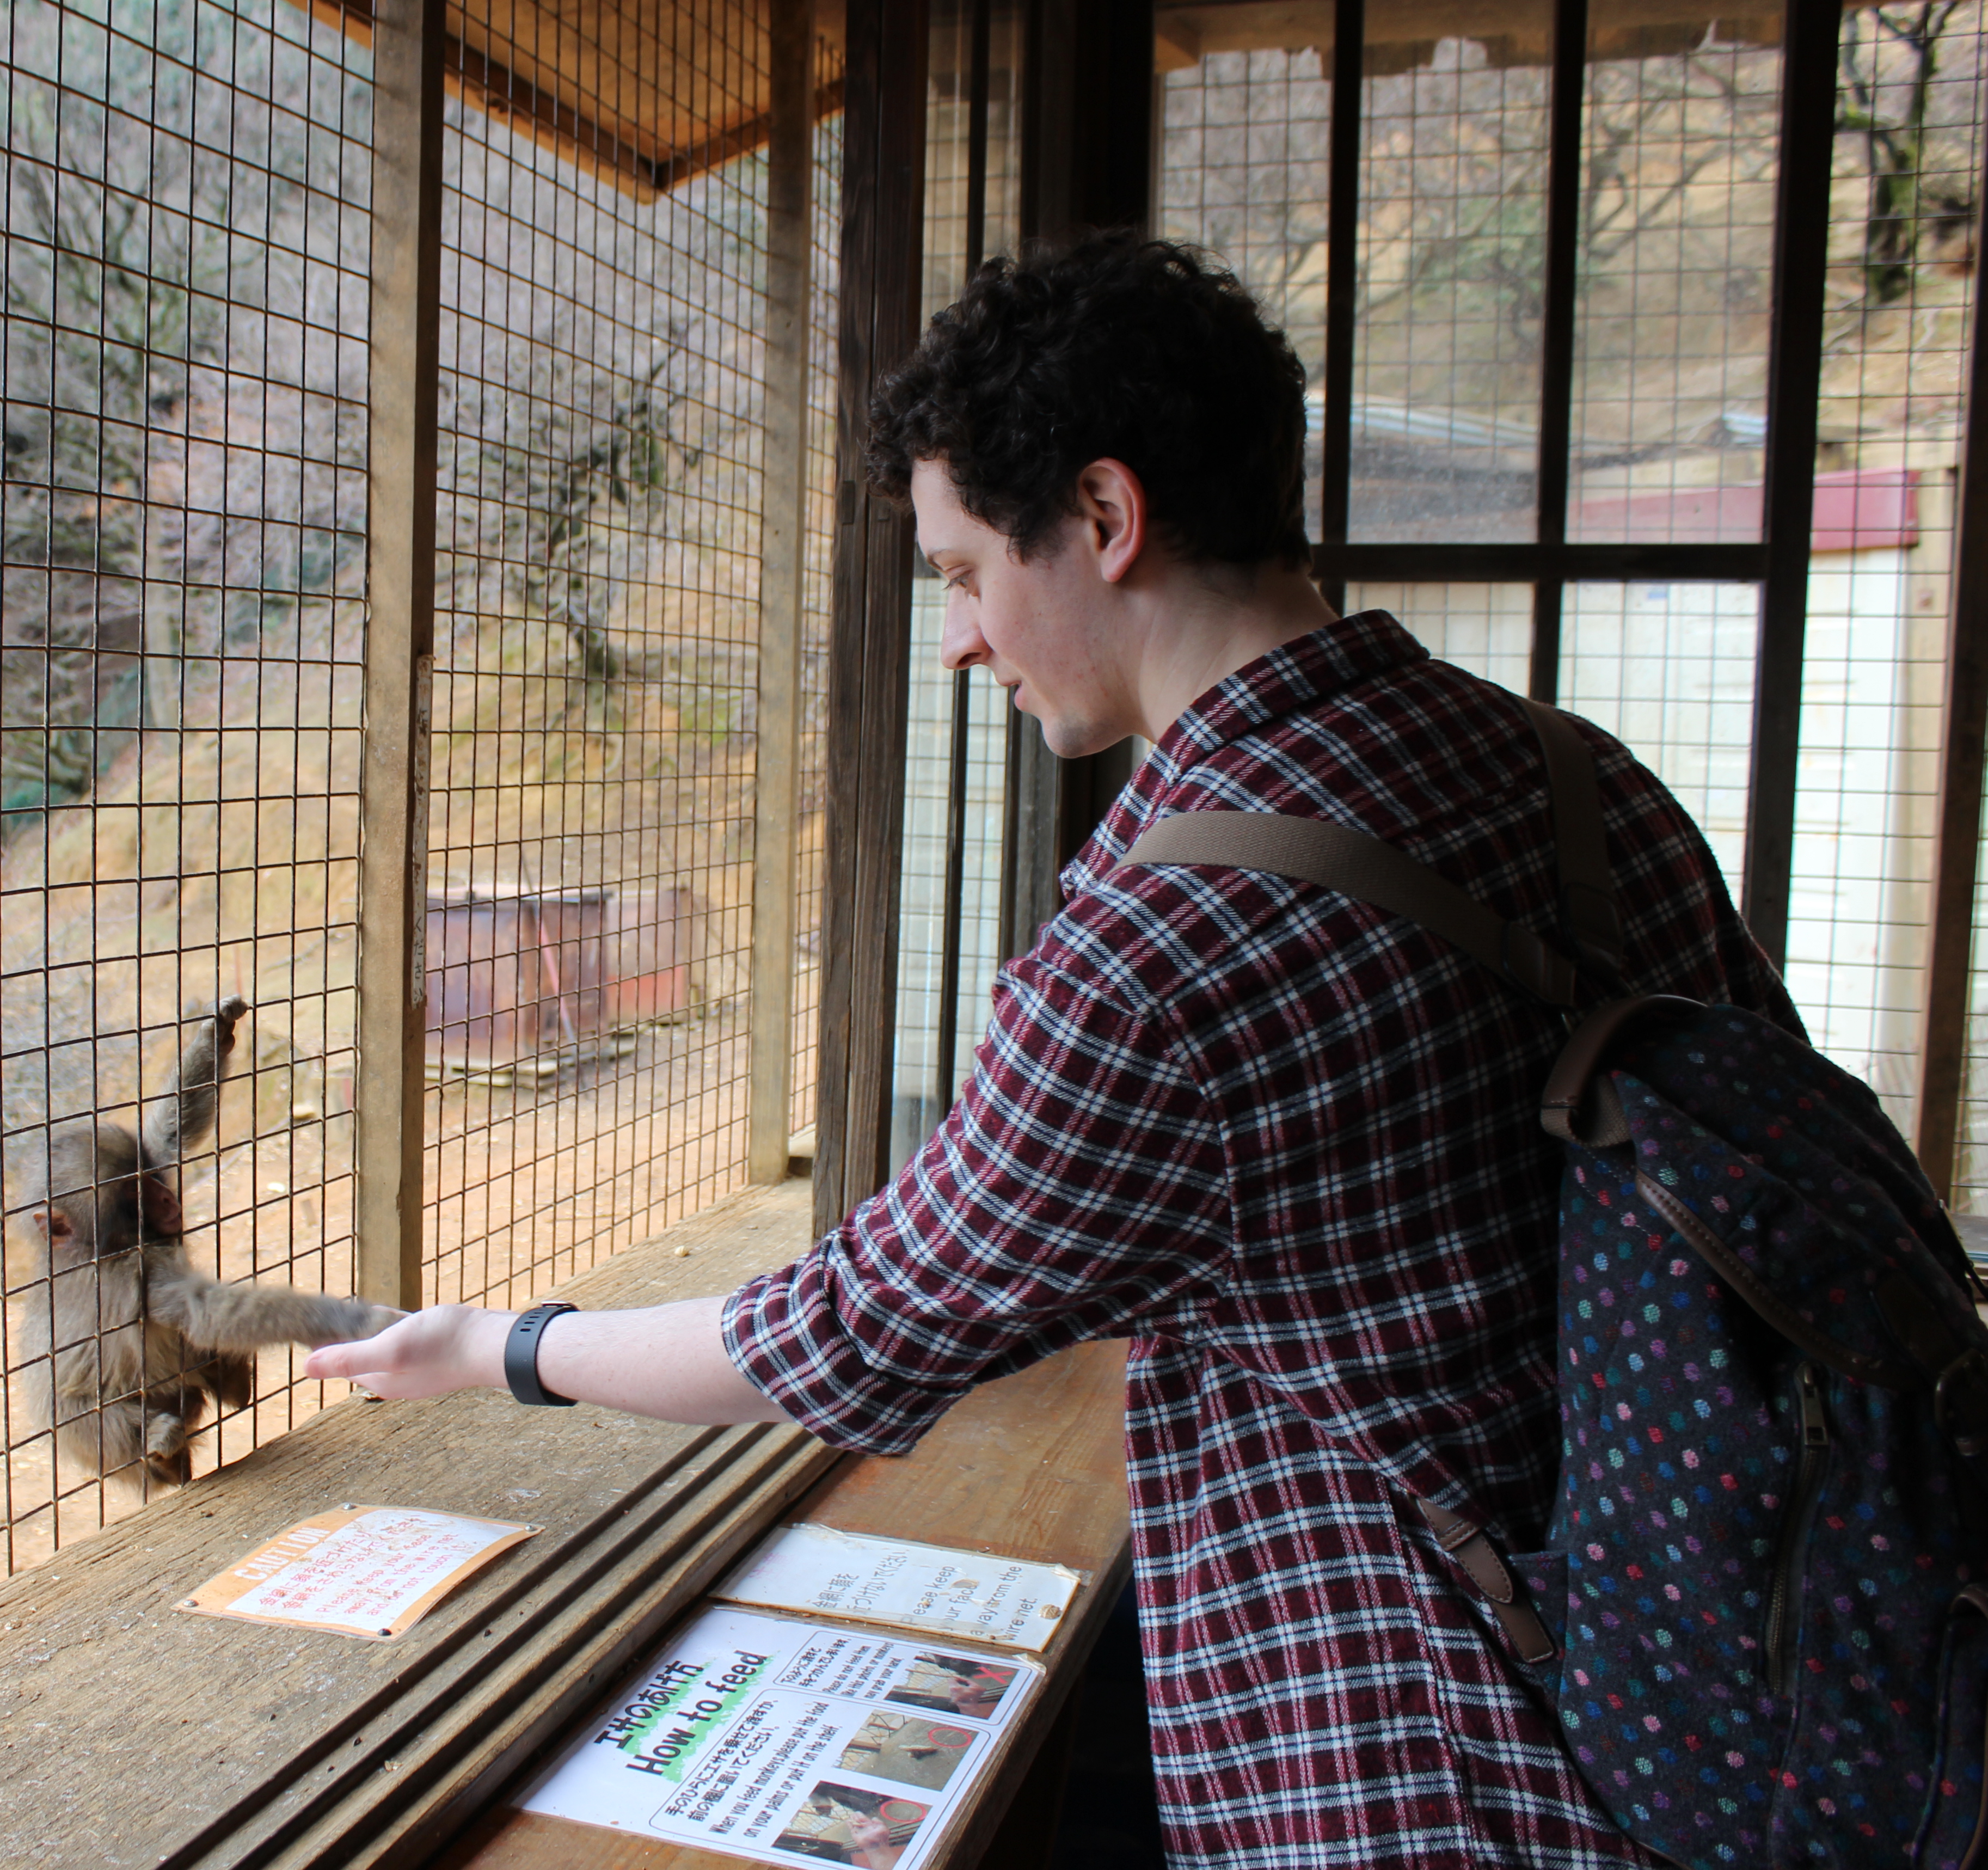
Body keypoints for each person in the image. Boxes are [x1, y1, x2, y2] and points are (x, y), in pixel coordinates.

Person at [306, 233, 1791, 1868]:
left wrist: (502, 1349)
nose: (957, 637)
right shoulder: (1581, 777)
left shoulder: (1164, 953)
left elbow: (853, 1331)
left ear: (1103, 518)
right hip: (1718, 1685)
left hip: (1428, 1760)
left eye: (959, 572)